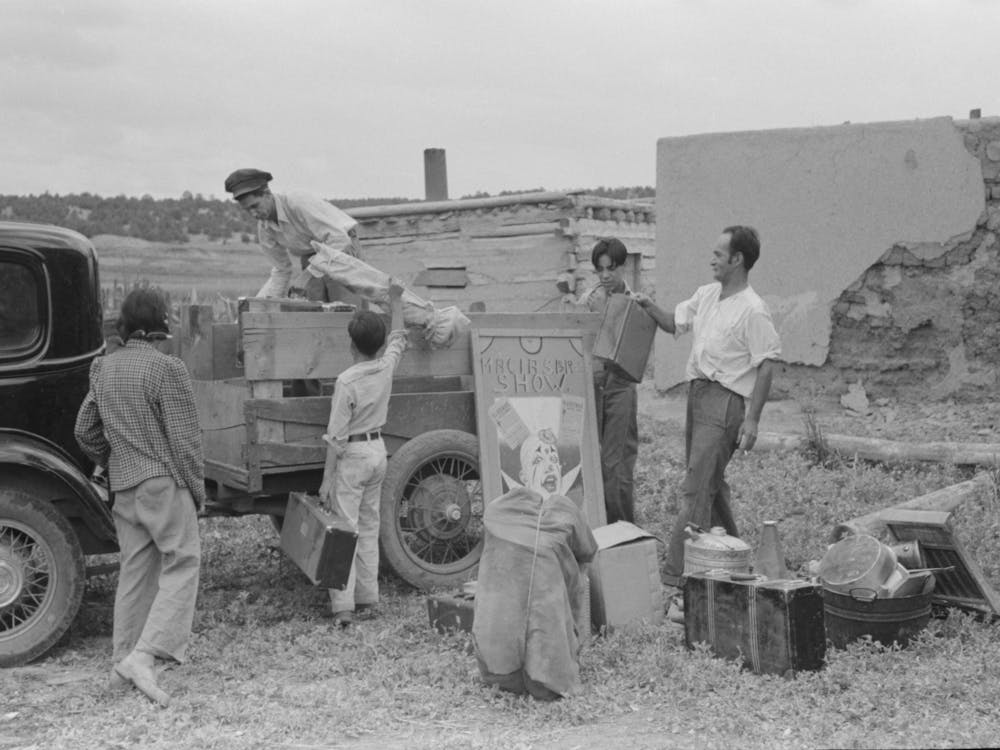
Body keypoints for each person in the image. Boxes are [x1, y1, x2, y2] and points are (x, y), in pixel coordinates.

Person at [633, 225, 781, 621]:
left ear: (738, 260)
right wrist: (646, 304)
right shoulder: (707, 295)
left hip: (726, 402)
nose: (712, 258)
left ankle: (676, 587)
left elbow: (766, 365)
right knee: (709, 488)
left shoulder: (753, 309)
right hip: (698, 396)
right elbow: (672, 323)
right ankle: (739, 564)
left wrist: (752, 420)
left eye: (719, 254)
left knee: (695, 490)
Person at [74, 288, 205, 707]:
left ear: (126, 327)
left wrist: (111, 458)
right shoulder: (168, 368)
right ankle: (145, 656)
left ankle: (121, 663)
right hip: (162, 483)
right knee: (183, 561)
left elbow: (84, 431)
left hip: (123, 486)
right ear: (159, 326)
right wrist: (196, 491)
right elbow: (184, 441)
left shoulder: (103, 368)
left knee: (134, 572)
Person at [473, 428, 598, 700]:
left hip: (494, 673)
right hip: (548, 681)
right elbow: (588, 554)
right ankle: (568, 648)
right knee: (576, 570)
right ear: (523, 476)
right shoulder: (566, 513)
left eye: (553, 458)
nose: (550, 465)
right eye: (538, 460)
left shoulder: (495, 512)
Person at [318, 278, 407, 627]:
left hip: (353, 455)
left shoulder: (347, 381)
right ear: (379, 343)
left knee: (344, 529)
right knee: (369, 528)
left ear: (351, 344)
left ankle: (343, 606)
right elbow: (399, 337)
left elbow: (336, 438)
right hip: (377, 450)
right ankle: (367, 597)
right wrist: (397, 301)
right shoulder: (385, 367)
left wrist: (327, 479)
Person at [224, 168, 363, 302]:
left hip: (341, 249)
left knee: (346, 312)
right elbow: (281, 270)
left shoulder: (297, 203)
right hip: (312, 257)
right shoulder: (264, 228)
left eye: (255, 206)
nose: (253, 214)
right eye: (247, 210)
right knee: (314, 312)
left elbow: (339, 239)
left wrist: (307, 276)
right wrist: (259, 305)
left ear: (267, 193)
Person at [576, 237, 638, 524]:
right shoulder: (588, 302)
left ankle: (623, 528)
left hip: (621, 386)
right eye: (599, 270)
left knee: (618, 464)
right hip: (591, 386)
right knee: (587, 458)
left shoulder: (636, 302)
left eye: (610, 269)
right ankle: (593, 523)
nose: (605, 276)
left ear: (623, 267)